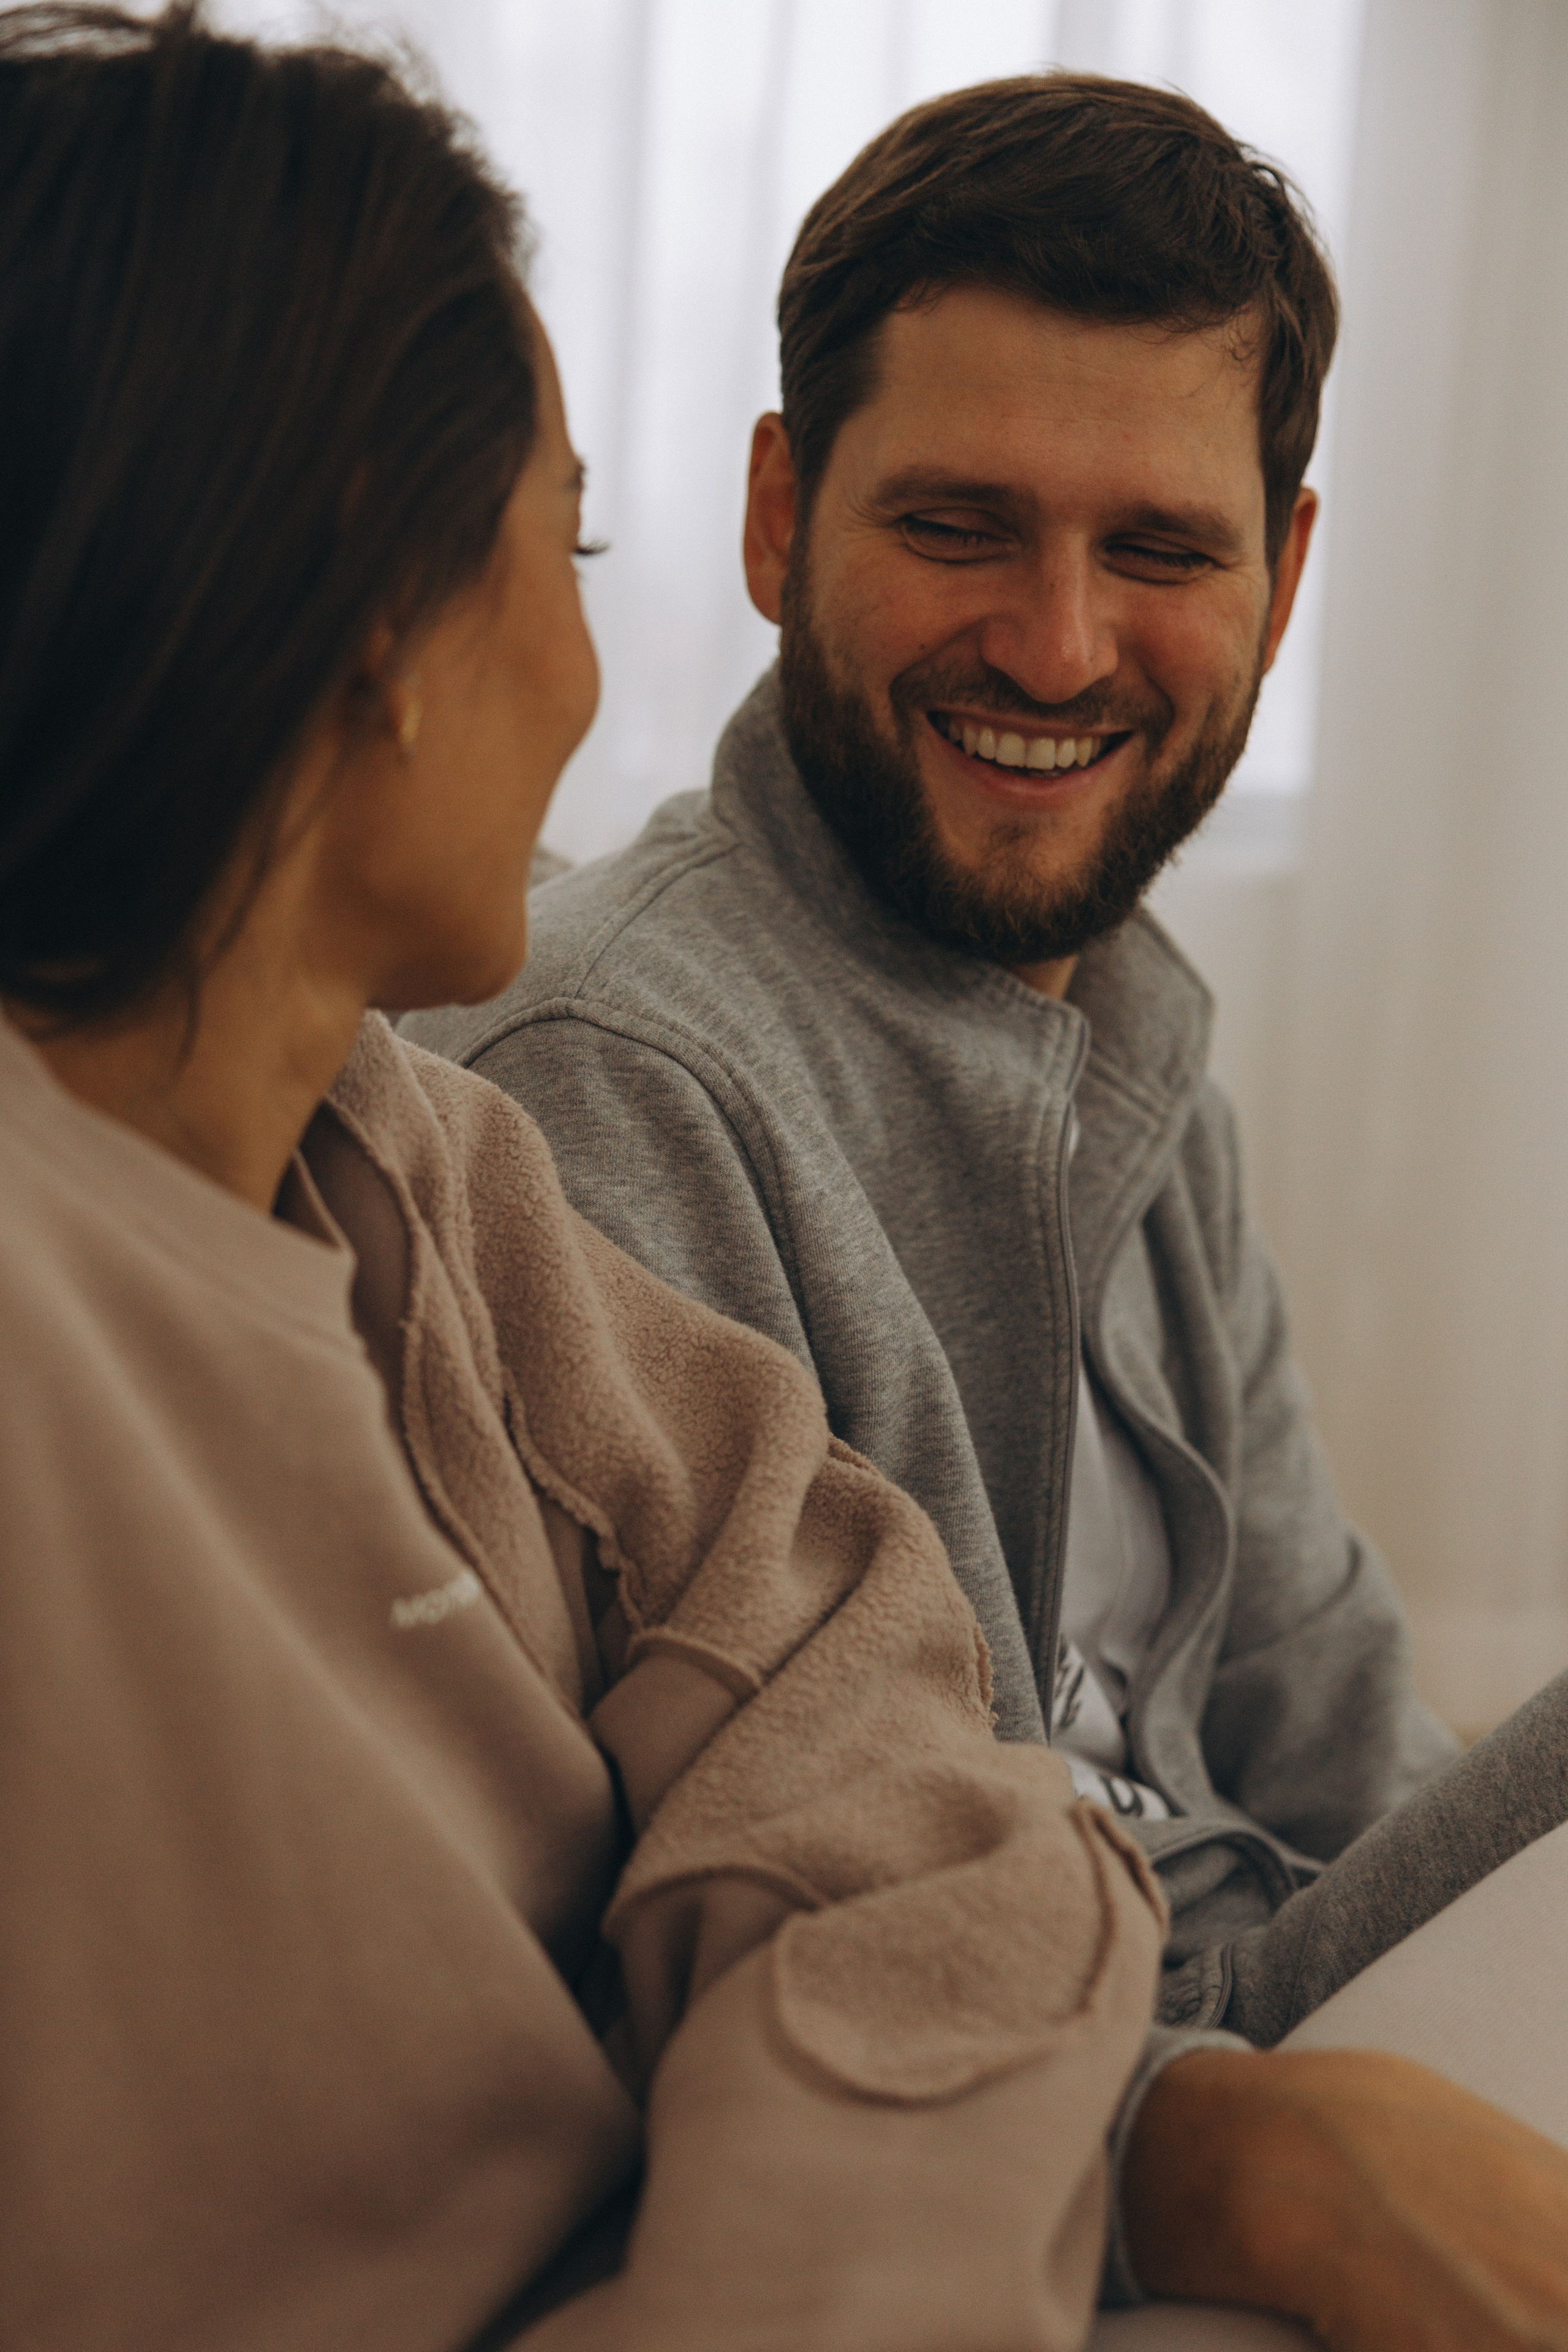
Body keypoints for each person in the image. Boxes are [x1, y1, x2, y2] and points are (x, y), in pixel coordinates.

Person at [0, 12, 1177, 2348]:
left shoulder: (418, 1166)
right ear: (375, 612)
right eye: (573, 543)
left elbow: (912, 1744)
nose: (585, 677)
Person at [404, 72, 1568, 2340]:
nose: (1055, 646)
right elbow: (708, 1985)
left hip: (1263, 2034)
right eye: (960, 524)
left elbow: (1337, 1741)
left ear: (1287, 571)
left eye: (1160, 551)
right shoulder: (607, 1080)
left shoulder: (1135, 1032)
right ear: (773, 518)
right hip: (1087, 2140)